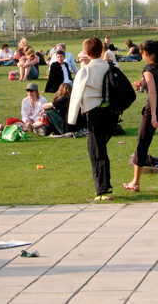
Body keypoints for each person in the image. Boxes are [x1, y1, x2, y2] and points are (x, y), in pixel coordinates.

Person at [124, 40, 158, 196]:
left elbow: (152, 92)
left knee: (142, 143)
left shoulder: (148, 69)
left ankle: (135, 182)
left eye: (142, 53)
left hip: (152, 110)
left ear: (145, 53)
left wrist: (154, 114)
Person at [68, 37, 118, 200]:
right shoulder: (111, 66)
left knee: (97, 152)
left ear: (86, 52)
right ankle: (104, 186)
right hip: (111, 114)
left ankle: (103, 190)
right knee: (100, 149)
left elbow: (76, 96)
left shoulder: (85, 71)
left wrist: (71, 121)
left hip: (94, 114)